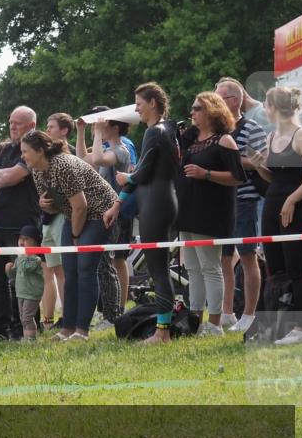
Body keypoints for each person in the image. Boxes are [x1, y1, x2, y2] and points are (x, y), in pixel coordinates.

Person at [22, 130, 118, 341]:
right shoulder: (37, 171)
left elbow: (81, 206)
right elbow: (57, 206)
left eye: (26, 151)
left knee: (85, 268)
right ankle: (67, 328)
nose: (23, 156)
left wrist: (75, 234)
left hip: (100, 212)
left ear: (40, 151)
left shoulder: (63, 165)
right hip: (73, 214)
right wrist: (44, 205)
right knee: (70, 270)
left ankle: (82, 330)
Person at [105, 83, 181, 344]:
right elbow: (143, 173)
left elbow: (142, 173)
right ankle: (163, 327)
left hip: (157, 204)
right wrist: (117, 204)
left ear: (152, 103)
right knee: (158, 268)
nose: (136, 109)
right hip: (160, 201)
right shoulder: (168, 129)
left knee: (158, 270)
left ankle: (162, 332)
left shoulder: (155, 131)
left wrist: (127, 177)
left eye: (138, 104)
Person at [175, 91, 245, 335]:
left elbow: (237, 177)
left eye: (197, 108)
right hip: (187, 212)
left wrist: (206, 174)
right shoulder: (191, 139)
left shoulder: (224, 141)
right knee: (193, 268)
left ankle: (215, 323)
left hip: (211, 214)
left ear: (212, 111)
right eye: (192, 108)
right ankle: (195, 321)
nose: (192, 112)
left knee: (210, 268)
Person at [250, 86, 302, 345]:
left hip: (294, 209)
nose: (264, 110)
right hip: (272, 206)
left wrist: (292, 199)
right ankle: (277, 325)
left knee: (296, 269)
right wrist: (259, 167)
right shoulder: (271, 137)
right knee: (274, 269)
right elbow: (274, 177)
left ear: (273, 107)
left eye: (266, 105)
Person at [0, 107, 42, 339]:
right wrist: (4, 177)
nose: (12, 126)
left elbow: (10, 176)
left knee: (23, 278)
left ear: (31, 125)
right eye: (10, 122)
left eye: (18, 122)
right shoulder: (7, 149)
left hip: (23, 223)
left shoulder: (33, 149)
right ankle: (1, 327)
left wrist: (2, 176)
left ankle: (25, 326)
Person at [215, 79, 268, 333]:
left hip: (245, 200)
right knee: (224, 258)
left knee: (248, 257)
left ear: (234, 101)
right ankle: (227, 312)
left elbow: (263, 161)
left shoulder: (252, 128)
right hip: (221, 201)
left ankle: (249, 314)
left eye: (219, 99)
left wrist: (232, 157)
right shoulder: (216, 129)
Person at [77, 110, 134, 327]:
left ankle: (113, 315)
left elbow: (99, 158)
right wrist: (81, 132)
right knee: (101, 264)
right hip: (103, 212)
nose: (97, 128)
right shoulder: (108, 149)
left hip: (115, 213)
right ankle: (110, 313)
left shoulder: (120, 150)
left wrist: (98, 133)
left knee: (105, 265)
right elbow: (84, 160)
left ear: (115, 127)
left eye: (102, 125)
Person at [37, 113, 75, 326]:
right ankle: (50, 319)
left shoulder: (71, 155)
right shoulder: (44, 157)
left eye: (51, 126)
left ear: (64, 130)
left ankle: (68, 317)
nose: (47, 130)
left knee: (64, 271)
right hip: (47, 220)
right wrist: (41, 201)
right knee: (51, 270)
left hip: (64, 218)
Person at [7, 225, 44, 340]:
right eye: (20, 238)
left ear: (35, 244)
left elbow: (25, 268)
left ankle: (31, 338)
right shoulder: (20, 258)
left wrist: (21, 256)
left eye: (26, 239)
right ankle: (26, 337)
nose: (21, 242)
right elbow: (15, 274)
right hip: (21, 292)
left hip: (31, 293)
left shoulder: (35, 259)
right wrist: (9, 270)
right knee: (23, 318)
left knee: (28, 317)